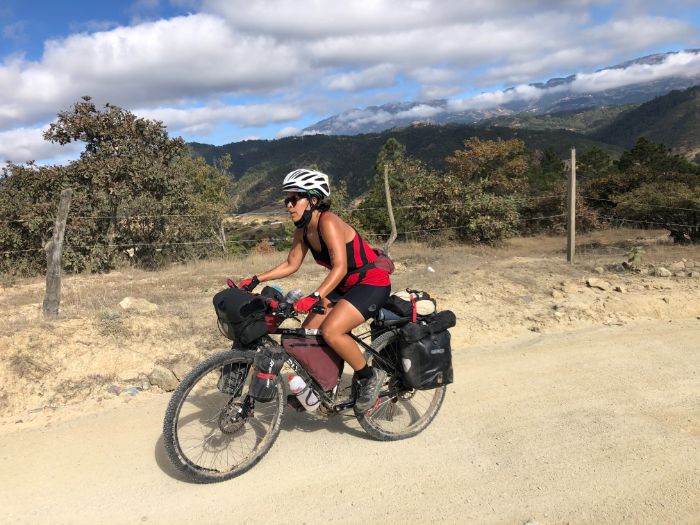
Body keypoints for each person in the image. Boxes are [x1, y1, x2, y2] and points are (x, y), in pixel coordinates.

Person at [237, 168, 391, 413]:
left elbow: (339, 267)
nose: (288, 205)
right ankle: (321, 387)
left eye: (293, 198)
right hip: (343, 286)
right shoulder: (303, 229)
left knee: (332, 331)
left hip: (371, 283)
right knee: (307, 334)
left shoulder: (328, 222)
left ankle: (369, 376)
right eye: (286, 199)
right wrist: (255, 279)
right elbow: (291, 264)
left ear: (313, 200)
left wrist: (315, 296)